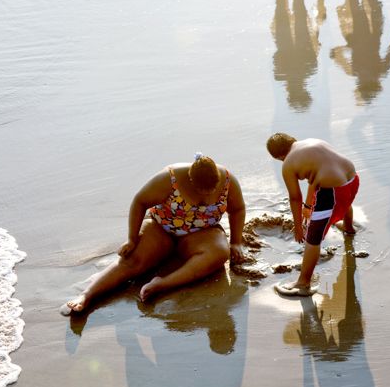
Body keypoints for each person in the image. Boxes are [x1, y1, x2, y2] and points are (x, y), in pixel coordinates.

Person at [61, 154, 246, 315]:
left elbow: (237, 209)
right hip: (161, 229)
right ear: (191, 179)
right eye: (201, 190)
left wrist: (236, 242)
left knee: (221, 253)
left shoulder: (228, 181)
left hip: (201, 233)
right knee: (131, 261)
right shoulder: (170, 178)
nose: (207, 194)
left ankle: (162, 284)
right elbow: (140, 201)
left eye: (212, 189)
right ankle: (87, 295)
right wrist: (132, 239)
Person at [266, 133, 359, 297]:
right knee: (344, 203)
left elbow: (295, 198)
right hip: (352, 179)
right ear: (292, 141)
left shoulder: (288, 163)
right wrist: (308, 206)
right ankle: (349, 228)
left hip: (332, 190)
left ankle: (303, 283)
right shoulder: (314, 142)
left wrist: (298, 228)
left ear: (280, 156)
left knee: (313, 237)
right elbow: (315, 179)